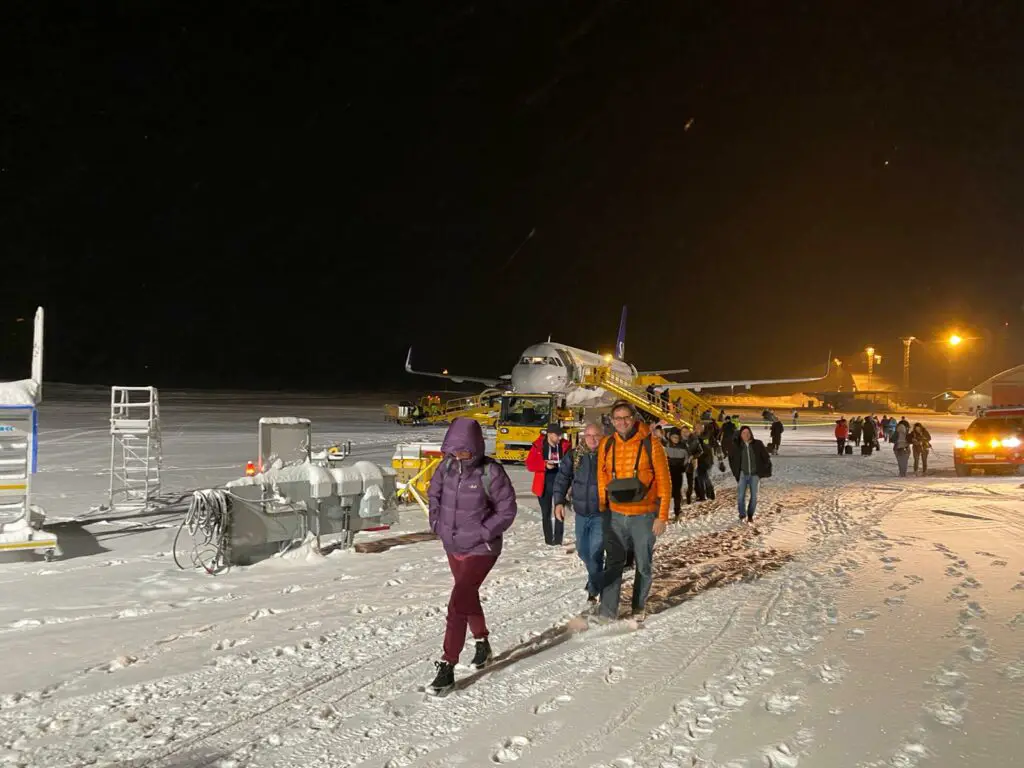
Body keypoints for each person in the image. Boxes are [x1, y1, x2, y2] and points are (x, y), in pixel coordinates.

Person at [427, 417, 518, 694]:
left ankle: (448, 664)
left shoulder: (491, 473)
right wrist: (436, 524)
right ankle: (482, 642)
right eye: (454, 450)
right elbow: (433, 495)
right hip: (453, 546)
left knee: (457, 604)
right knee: (468, 597)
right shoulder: (446, 468)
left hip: (482, 548)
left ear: (476, 447)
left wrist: (482, 532)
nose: (459, 455)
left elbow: (507, 510)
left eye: (464, 450)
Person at [597, 400, 671, 623]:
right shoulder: (606, 444)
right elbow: (602, 477)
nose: (622, 422)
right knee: (613, 563)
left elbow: (664, 482)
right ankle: (608, 612)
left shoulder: (652, 444)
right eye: (617, 418)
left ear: (634, 418)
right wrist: (603, 506)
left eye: (626, 417)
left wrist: (662, 516)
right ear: (612, 420)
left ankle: (638, 606)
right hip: (616, 515)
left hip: (644, 514)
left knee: (643, 563)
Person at [553, 423, 605, 606]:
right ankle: (597, 580)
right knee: (584, 552)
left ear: (602, 436)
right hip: (581, 513)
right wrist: (558, 501)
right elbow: (562, 478)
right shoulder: (575, 455)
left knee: (596, 551)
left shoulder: (609, 454)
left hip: (601, 513)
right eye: (589, 435)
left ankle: (594, 589)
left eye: (596, 435)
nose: (592, 439)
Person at [525, 424, 571, 546]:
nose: (560, 438)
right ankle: (548, 540)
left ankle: (558, 540)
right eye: (557, 435)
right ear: (550, 435)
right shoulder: (538, 445)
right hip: (544, 482)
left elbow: (570, 462)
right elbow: (530, 464)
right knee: (546, 512)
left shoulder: (565, 445)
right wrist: (544, 465)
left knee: (559, 509)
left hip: (560, 481)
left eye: (561, 435)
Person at [728, 425, 772, 524]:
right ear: (740, 434)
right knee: (740, 496)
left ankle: (750, 515)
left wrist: (763, 471)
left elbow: (766, 458)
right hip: (743, 474)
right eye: (743, 433)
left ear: (751, 433)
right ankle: (742, 514)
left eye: (748, 433)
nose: (746, 435)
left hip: (755, 475)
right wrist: (736, 473)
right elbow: (731, 460)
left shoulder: (758, 444)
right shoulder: (737, 446)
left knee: (754, 497)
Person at [664, 428, 695, 518]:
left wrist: (684, 466)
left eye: (677, 437)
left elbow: (687, 458)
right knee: (667, 492)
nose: (675, 439)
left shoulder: (684, 446)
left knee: (677, 491)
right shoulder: (666, 445)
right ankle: (664, 512)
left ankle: (677, 510)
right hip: (667, 471)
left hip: (678, 471)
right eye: (674, 437)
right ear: (670, 437)